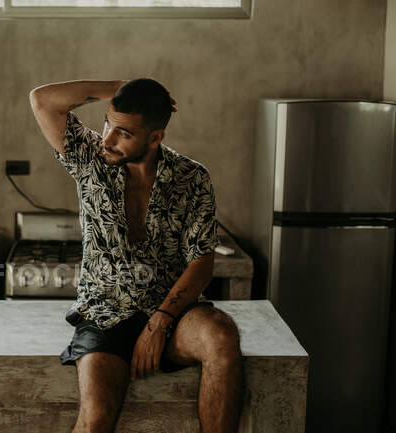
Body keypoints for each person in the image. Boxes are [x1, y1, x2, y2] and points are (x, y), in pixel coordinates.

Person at [29, 78, 244, 433]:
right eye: (107, 124)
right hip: (105, 313)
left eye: (123, 133)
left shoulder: (191, 178)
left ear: (155, 137)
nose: (108, 139)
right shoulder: (90, 159)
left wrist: (159, 323)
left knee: (222, 335)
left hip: (173, 315)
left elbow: (201, 264)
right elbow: (43, 100)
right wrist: (117, 87)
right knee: (96, 414)